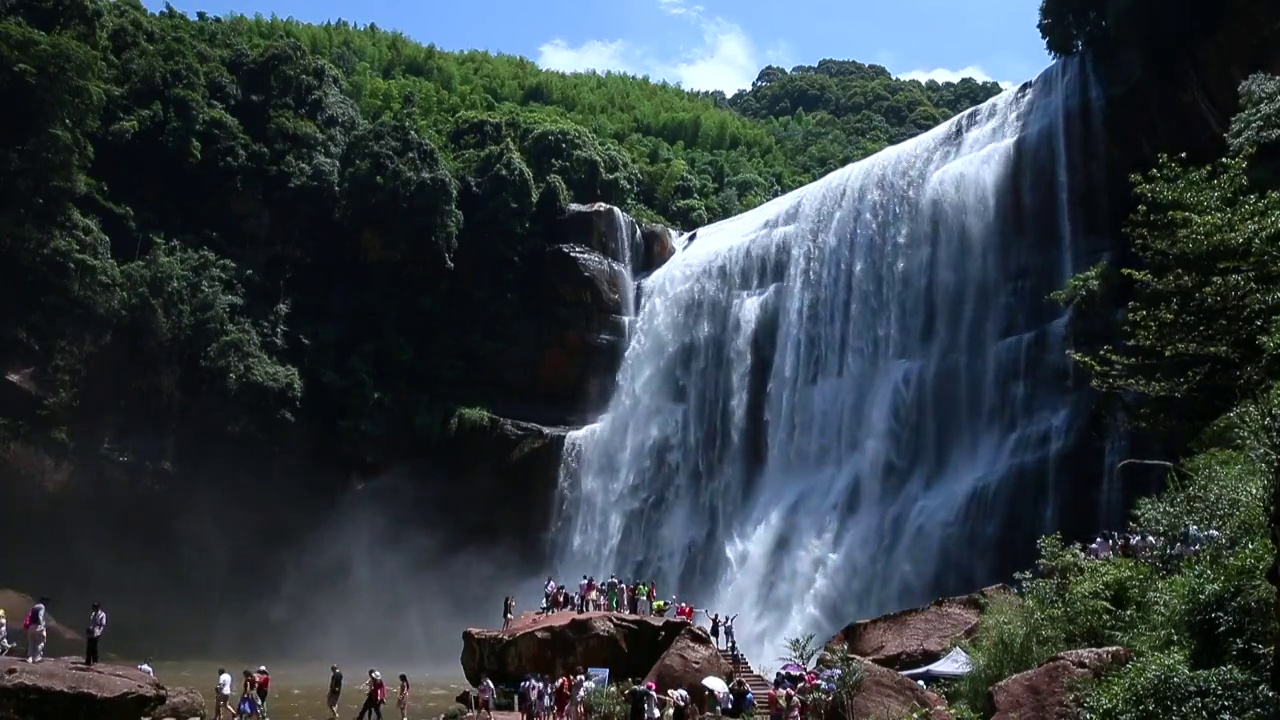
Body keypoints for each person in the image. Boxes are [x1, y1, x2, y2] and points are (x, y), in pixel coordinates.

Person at [25, 597, 47, 663]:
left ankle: (29, 658)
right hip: (38, 626)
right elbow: (40, 616)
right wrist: (42, 625)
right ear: (44, 601)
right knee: (39, 642)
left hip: (31, 627)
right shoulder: (42, 607)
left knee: (31, 643)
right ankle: (36, 658)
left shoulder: (34, 607)